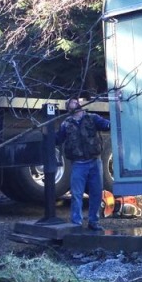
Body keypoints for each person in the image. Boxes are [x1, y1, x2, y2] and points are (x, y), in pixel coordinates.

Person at [56, 97, 111, 230]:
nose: (74, 104)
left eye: (75, 102)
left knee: (96, 193)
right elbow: (58, 139)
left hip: (94, 161)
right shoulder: (66, 124)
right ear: (68, 108)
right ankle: (76, 223)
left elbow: (107, 125)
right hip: (78, 164)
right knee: (76, 194)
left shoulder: (92, 118)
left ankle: (93, 221)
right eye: (70, 103)